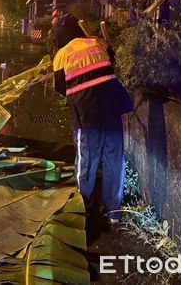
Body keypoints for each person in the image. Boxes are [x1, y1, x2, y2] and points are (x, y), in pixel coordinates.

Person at [50, 12, 132, 222]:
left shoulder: (62, 54)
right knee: (114, 160)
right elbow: (111, 62)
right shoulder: (96, 42)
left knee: (86, 161)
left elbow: (61, 87)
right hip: (112, 108)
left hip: (86, 115)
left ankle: (83, 207)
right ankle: (113, 211)